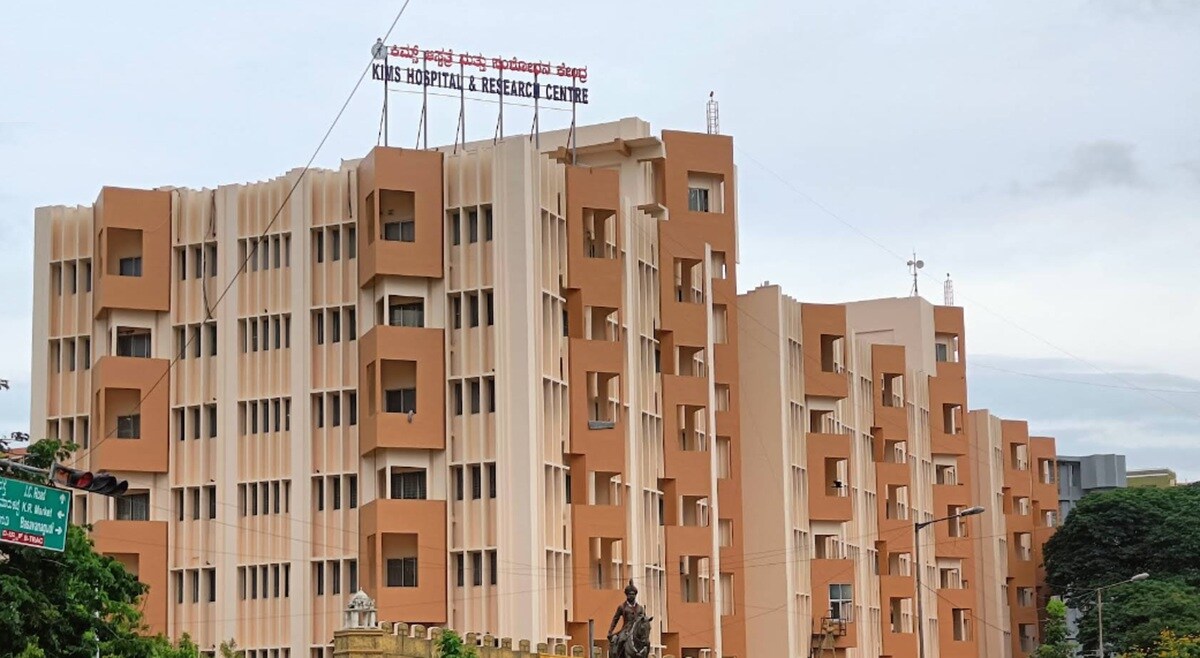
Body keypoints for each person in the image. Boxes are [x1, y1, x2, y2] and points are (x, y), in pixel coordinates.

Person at [607, 580, 645, 658]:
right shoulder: (622, 607)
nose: (631, 596)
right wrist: (610, 631)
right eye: (630, 594)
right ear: (626, 595)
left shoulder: (640, 608)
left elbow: (644, 621)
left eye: (633, 594)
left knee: (645, 643)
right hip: (626, 629)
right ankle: (618, 655)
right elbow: (615, 619)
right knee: (621, 640)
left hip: (637, 630)